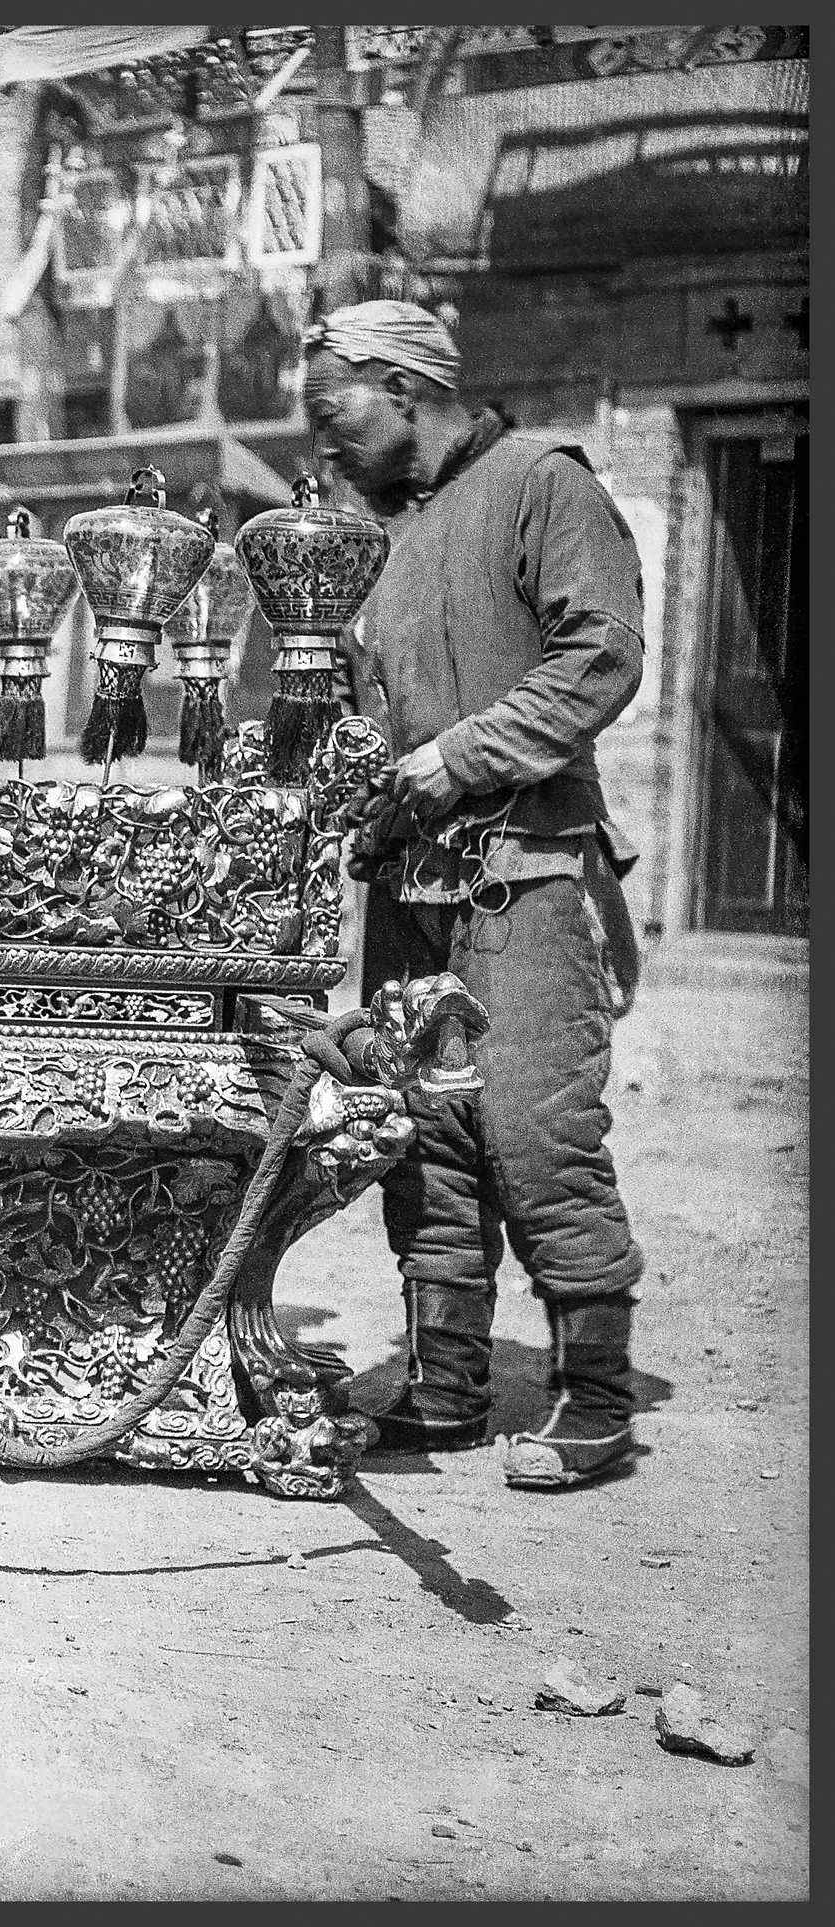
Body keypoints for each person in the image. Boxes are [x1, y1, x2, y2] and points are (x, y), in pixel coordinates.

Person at [302, 299, 648, 1489]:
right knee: (425, 1134)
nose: (324, 440)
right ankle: (444, 1380)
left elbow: (601, 652)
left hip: (529, 871)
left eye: (335, 408)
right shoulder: (380, 535)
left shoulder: (540, 481)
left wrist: (458, 758)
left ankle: (596, 1398)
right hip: (409, 886)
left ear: (402, 386)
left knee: (533, 1129)